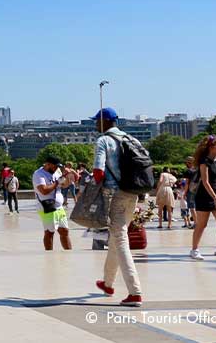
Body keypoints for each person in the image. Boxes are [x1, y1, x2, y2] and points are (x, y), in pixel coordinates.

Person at [90, 108, 144, 306]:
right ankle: (107, 283)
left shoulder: (103, 140)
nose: (95, 125)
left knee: (120, 239)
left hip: (116, 195)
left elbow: (98, 171)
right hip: (134, 193)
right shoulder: (132, 139)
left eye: (97, 121)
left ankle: (135, 291)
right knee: (116, 236)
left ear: (104, 121)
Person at [33, 156, 73, 252]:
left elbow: (65, 185)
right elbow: (43, 190)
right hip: (46, 206)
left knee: (65, 231)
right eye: (55, 166)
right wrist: (56, 183)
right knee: (49, 232)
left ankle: (69, 254)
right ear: (48, 164)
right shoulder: (39, 174)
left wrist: (66, 176)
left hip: (59, 207)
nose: (57, 168)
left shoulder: (57, 171)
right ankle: (49, 256)